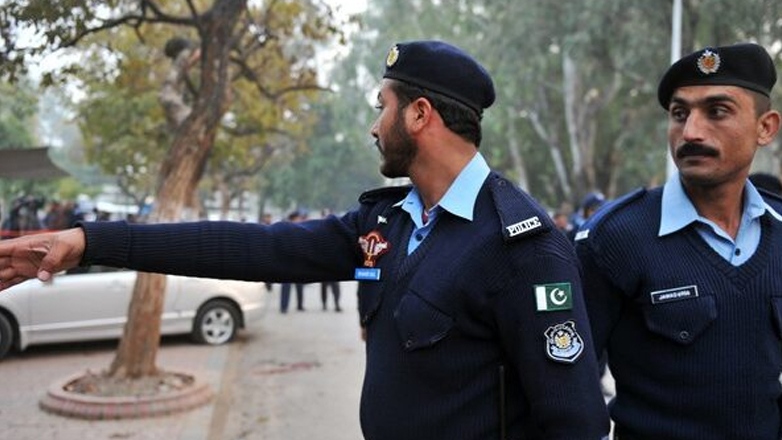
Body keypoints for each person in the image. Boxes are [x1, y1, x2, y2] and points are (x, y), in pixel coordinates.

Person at [0, 40, 608, 440]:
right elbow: (255, 248)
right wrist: (89, 242)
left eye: (382, 108)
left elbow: (575, 421)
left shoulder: (522, 245)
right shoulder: (390, 222)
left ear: (420, 115)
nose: (374, 127)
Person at [575, 43, 782, 440]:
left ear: (765, 127)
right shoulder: (616, 238)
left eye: (717, 112)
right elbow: (567, 381)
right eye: (679, 113)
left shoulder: (778, 231)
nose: (691, 132)